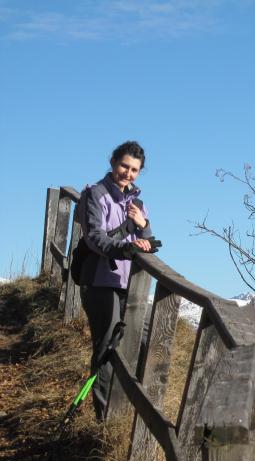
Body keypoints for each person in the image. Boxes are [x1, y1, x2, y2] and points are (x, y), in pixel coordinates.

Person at [78, 141, 154, 421]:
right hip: (99, 281)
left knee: (146, 342)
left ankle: (131, 409)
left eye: (134, 170)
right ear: (113, 163)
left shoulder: (137, 204)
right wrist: (122, 249)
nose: (128, 173)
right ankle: (105, 418)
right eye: (124, 166)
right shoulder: (94, 195)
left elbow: (144, 243)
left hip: (130, 285)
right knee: (107, 346)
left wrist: (144, 226)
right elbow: (94, 236)